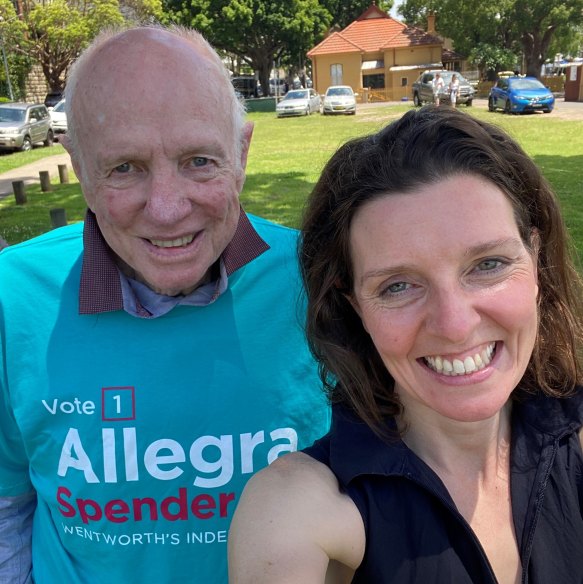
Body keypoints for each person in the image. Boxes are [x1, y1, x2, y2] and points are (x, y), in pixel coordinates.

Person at [0, 25, 330, 583]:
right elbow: (6, 507)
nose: (168, 208)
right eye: (124, 168)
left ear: (242, 152)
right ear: (79, 168)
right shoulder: (13, 297)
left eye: (200, 160)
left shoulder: (319, 283)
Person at [228, 106, 583, 583]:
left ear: (535, 261)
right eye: (398, 286)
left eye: (489, 264)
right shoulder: (303, 511)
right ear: (355, 308)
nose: (455, 325)